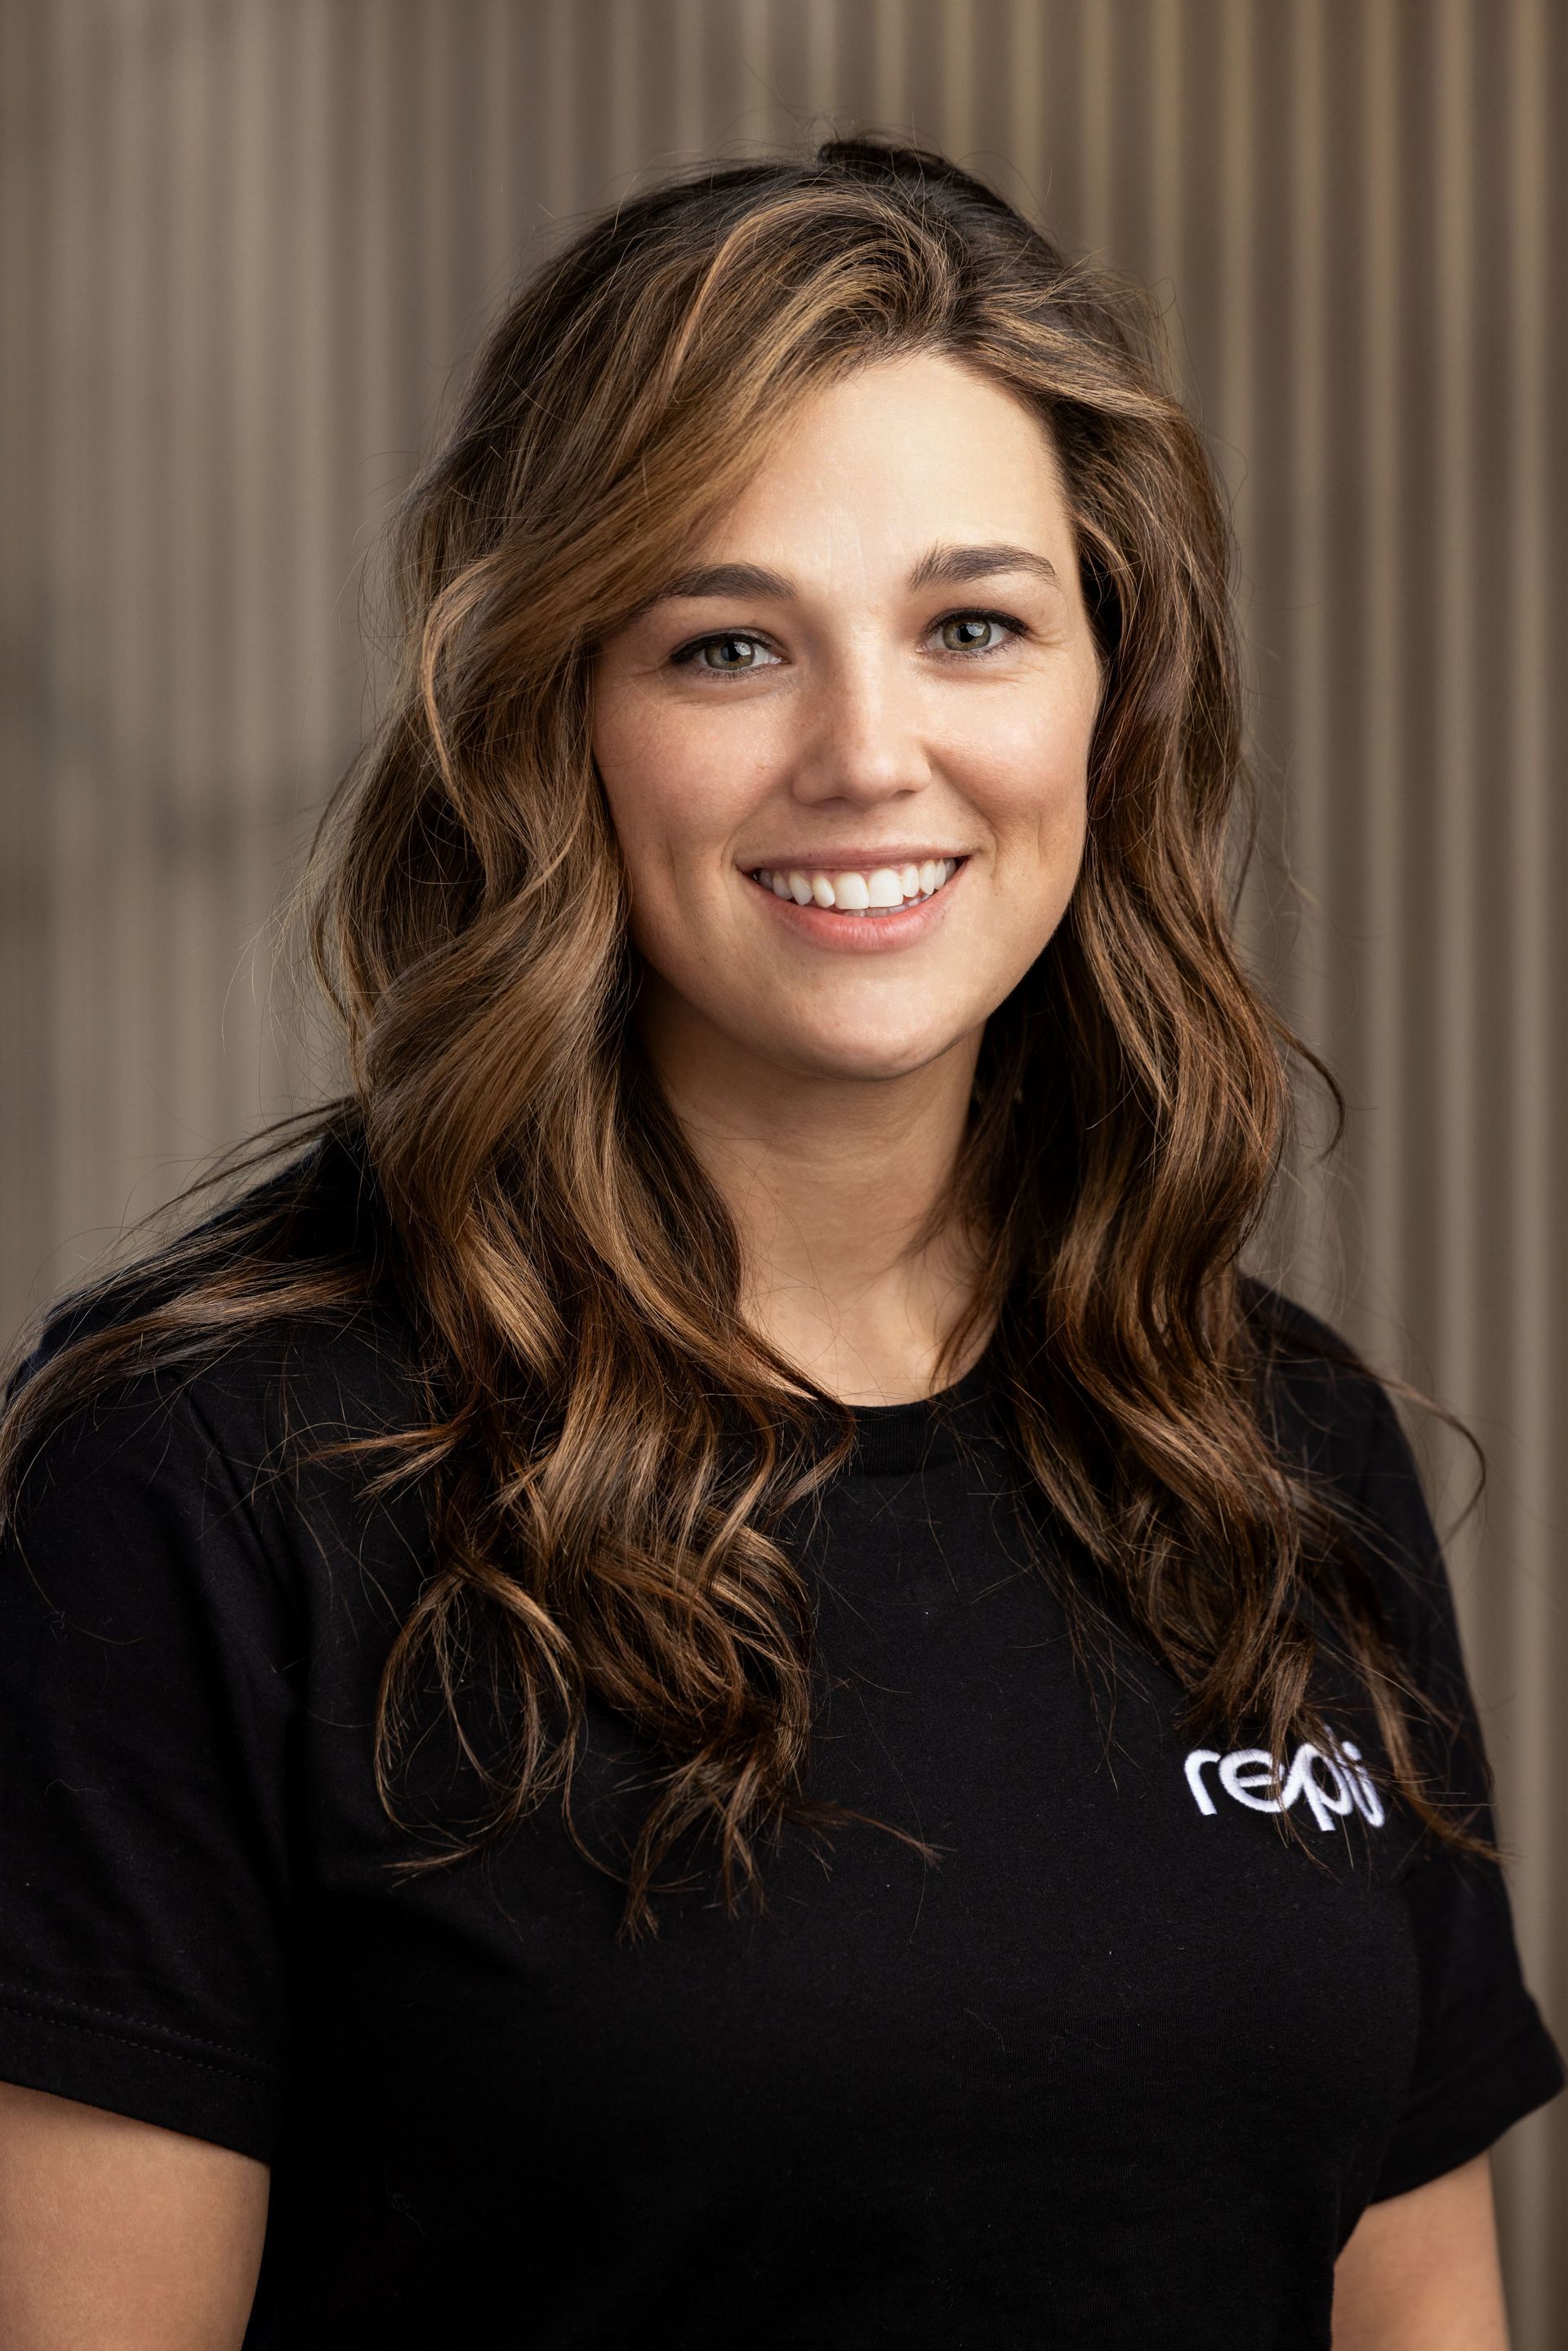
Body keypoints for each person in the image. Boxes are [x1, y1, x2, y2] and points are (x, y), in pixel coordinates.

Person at [0, 136, 1559, 2351]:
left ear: (1112, 697)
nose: (866, 752)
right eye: (728, 645)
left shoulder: (1271, 1449)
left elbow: (1418, 2319)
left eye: (973, 627)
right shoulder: (207, 1476)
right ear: (554, 713)